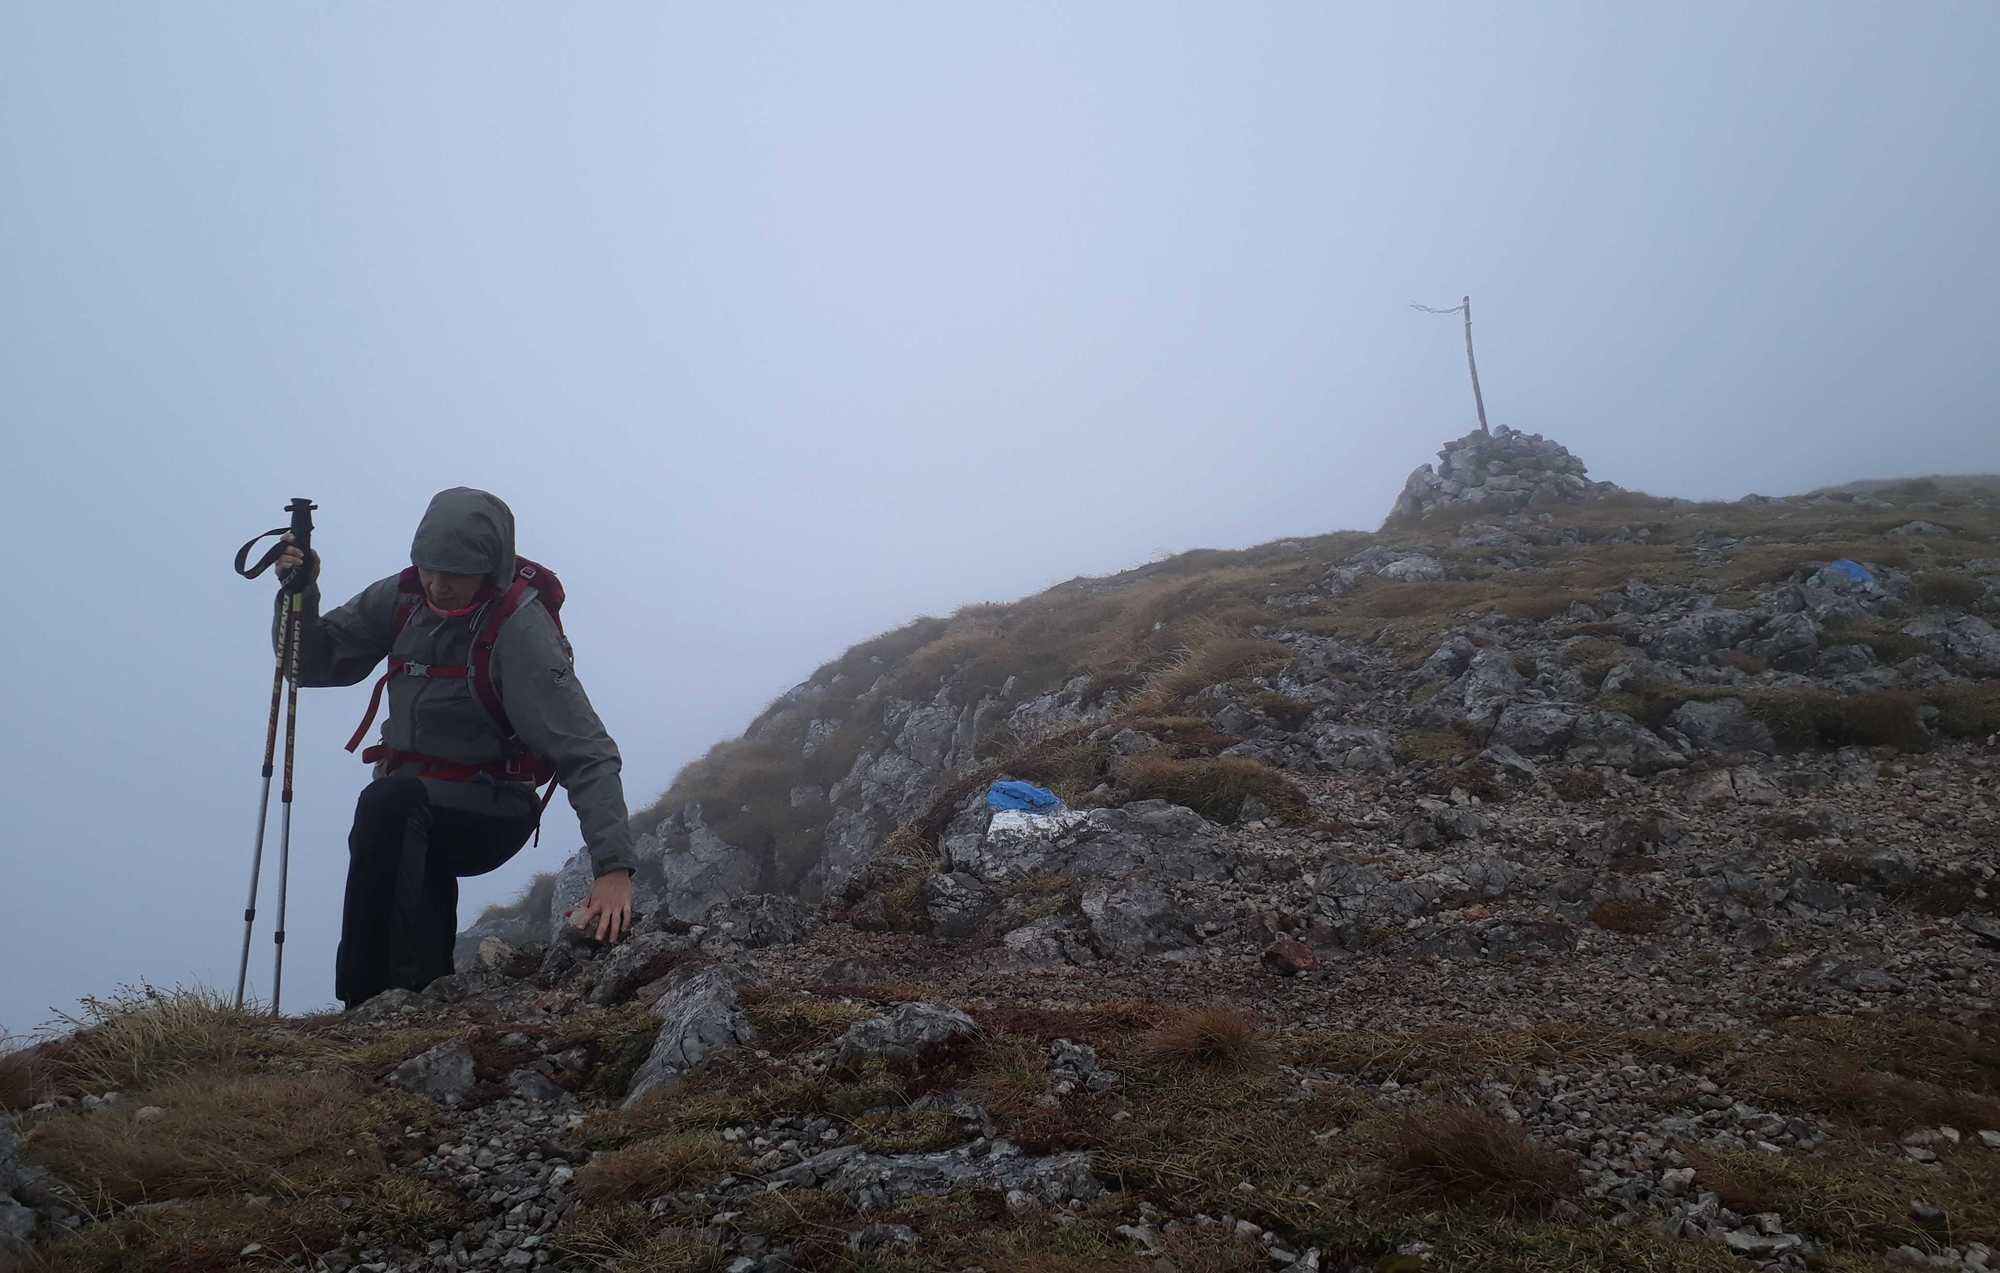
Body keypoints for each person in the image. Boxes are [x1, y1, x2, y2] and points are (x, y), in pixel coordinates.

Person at [275, 487, 634, 1008]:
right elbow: (306, 664)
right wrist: (299, 594)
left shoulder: (519, 629)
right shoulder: (400, 599)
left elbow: (588, 750)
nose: (439, 586)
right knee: (400, 824)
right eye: (429, 568)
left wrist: (614, 870)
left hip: (496, 806)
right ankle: (421, 1000)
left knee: (390, 806)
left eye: (457, 574)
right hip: (417, 800)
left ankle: (370, 1006)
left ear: (491, 571)